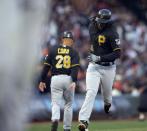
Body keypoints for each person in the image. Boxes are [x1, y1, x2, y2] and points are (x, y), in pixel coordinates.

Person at [78, 9, 121, 131]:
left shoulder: (113, 32)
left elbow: (118, 54)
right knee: (91, 92)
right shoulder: (92, 24)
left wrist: (100, 57)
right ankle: (83, 121)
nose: (101, 24)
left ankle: (107, 104)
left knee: (107, 96)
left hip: (109, 67)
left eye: (103, 22)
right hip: (94, 67)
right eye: (99, 21)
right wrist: (95, 58)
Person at [39, 31, 80, 131]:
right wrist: (74, 80)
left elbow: (46, 66)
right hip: (68, 79)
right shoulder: (74, 52)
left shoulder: (53, 50)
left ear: (62, 39)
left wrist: (42, 80)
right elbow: (75, 68)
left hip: (55, 79)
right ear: (72, 41)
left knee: (55, 103)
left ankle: (55, 118)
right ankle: (67, 128)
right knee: (68, 105)